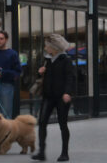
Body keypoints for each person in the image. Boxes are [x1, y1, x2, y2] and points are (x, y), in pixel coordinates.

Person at [32, 34, 75, 162]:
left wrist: (67, 92)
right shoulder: (47, 60)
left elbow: (70, 78)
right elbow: (42, 78)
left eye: (47, 46)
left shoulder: (65, 60)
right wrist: (40, 72)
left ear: (54, 48)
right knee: (42, 122)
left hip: (62, 97)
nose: (45, 48)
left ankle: (64, 153)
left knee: (63, 124)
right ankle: (41, 152)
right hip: (48, 96)